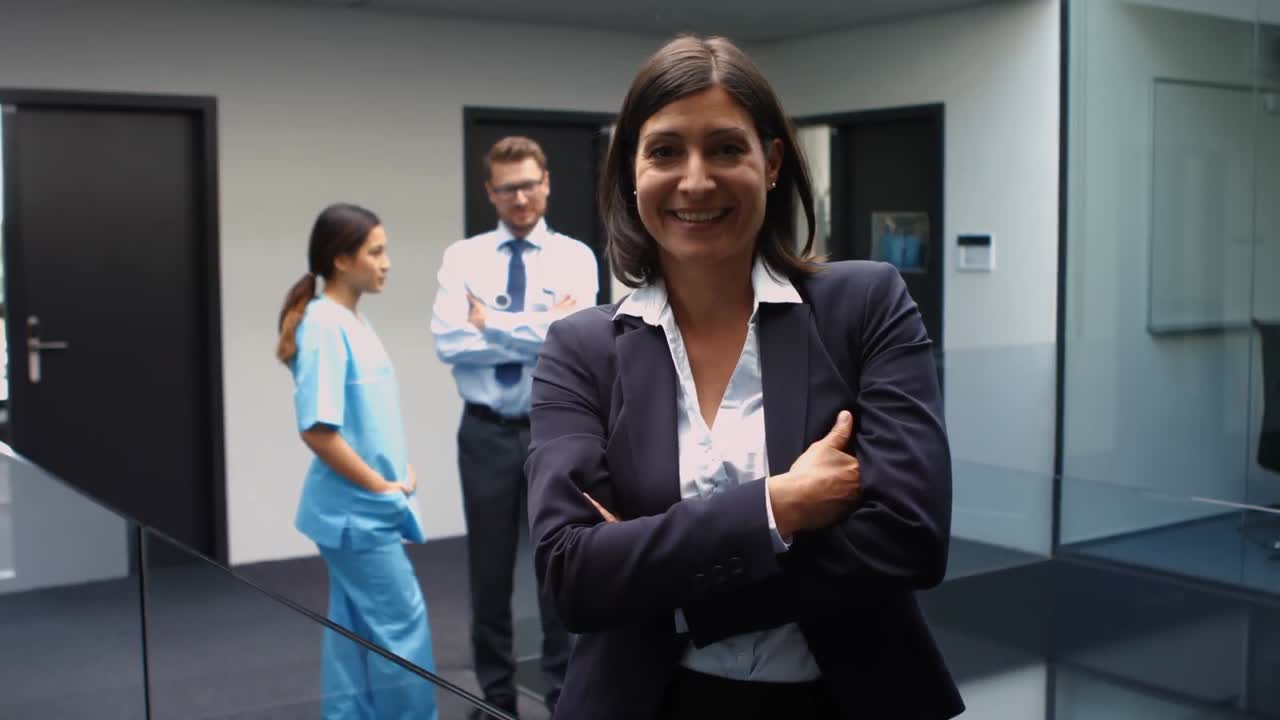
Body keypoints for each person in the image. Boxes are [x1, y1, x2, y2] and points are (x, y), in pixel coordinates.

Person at [526, 36, 964, 720]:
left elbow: (910, 536)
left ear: (771, 163)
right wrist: (778, 507)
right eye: (665, 151)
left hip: (845, 700)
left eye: (726, 148)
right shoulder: (581, 350)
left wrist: (669, 593)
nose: (696, 180)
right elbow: (571, 576)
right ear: (631, 173)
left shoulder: (864, 306)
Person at [430, 136, 598, 716]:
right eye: (508, 188)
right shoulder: (463, 258)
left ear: (546, 182)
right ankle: (496, 698)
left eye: (529, 184)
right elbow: (450, 343)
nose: (520, 197)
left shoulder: (576, 257)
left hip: (554, 429)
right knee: (490, 572)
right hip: (484, 432)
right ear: (490, 193)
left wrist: (493, 323)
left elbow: (573, 341)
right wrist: (538, 324)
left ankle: (560, 694)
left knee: (558, 564)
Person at [276, 203, 438, 720]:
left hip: (361, 507)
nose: (387, 262)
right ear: (342, 260)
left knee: (353, 631)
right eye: (376, 252)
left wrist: (396, 476)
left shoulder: (347, 319)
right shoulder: (325, 325)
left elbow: (364, 422)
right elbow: (318, 431)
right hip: (357, 514)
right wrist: (381, 486)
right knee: (402, 629)